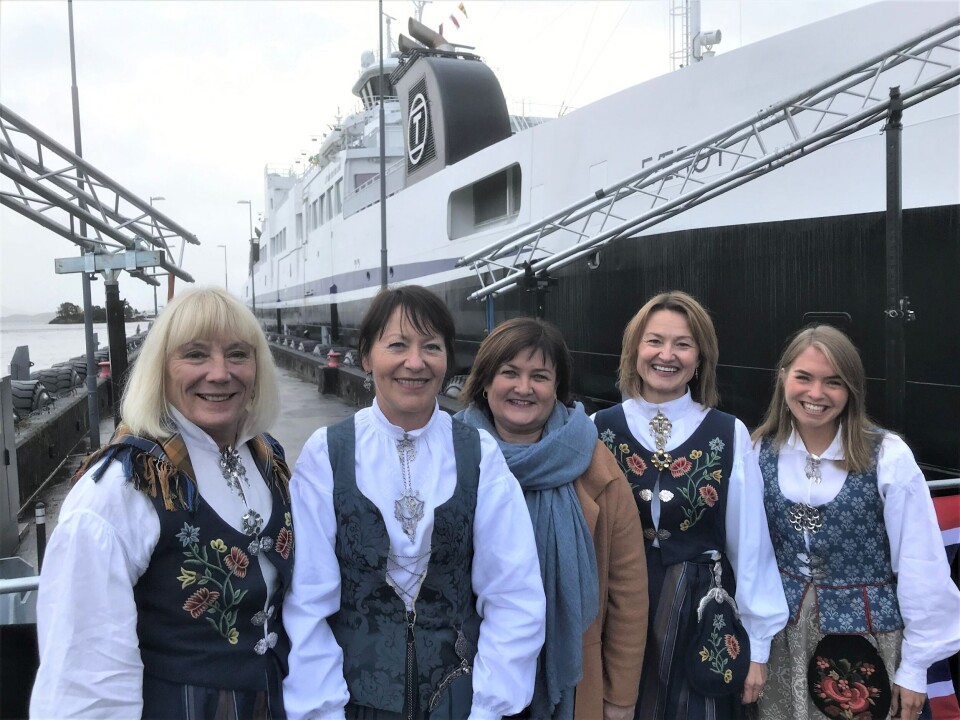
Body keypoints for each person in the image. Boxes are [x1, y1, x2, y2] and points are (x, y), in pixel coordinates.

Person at [283, 286, 546, 720]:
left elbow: (513, 593)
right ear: (366, 357)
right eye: (398, 345)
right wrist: (321, 710)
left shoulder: (478, 453)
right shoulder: (326, 452)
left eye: (431, 347)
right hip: (355, 702)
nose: (415, 362)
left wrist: (488, 707)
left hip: (459, 701)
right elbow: (306, 601)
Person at [31, 287, 292, 719]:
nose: (220, 372)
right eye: (195, 355)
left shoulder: (266, 459)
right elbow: (85, 674)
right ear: (161, 371)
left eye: (238, 354)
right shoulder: (120, 487)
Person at [592, 290, 788, 720]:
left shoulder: (728, 432)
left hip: (700, 613)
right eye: (654, 341)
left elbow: (749, 545)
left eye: (682, 344)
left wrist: (757, 644)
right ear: (635, 351)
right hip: (619, 609)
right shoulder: (597, 429)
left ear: (700, 358)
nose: (667, 355)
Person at [752, 325, 960, 720]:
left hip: (869, 642)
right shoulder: (760, 449)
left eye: (833, 382)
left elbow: (921, 565)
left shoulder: (888, 456)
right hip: (783, 642)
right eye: (804, 377)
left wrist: (915, 669)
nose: (816, 394)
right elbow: (752, 556)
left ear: (851, 390)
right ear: (783, 378)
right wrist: (756, 647)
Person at [456, 317, 649, 720]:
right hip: (464, 677)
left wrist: (619, 698)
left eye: (539, 376)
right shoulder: (451, 455)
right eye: (509, 372)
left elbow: (627, 592)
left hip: (572, 681)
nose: (523, 388)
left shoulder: (594, 464)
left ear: (557, 389)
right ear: (485, 382)